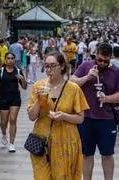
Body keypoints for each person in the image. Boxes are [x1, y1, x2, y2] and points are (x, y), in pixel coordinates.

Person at [27, 52, 89, 180]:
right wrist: (38, 100)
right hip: (41, 141)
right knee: (41, 177)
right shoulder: (38, 86)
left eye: (53, 66)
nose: (49, 70)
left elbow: (80, 118)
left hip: (66, 140)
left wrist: (64, 116)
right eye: (47, 66)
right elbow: (32, 117)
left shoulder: (73, 89)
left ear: (62, 66)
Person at [70, 43, 119, 180]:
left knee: (107, 154)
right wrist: (87, 77)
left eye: (106, 61)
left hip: (106, 119)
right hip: (86, 117)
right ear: (95, 54)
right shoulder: (86, 66)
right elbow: (72, 82)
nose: (102, 63)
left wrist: (106, 98)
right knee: (87, 154)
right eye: (99, 60)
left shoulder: (116, 72)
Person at [0, 52, 27, 153]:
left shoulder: (18, 71)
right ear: (5, 59)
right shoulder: (1, 71)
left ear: (14, 59)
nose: (10, 60)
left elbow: (24, 87)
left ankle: (12, 144)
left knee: (13, 120)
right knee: (3, 122)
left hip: (15, 99)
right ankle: (4, 134)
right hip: (3, 99)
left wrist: (23, 79)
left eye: (12, 58)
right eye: (8, 58)